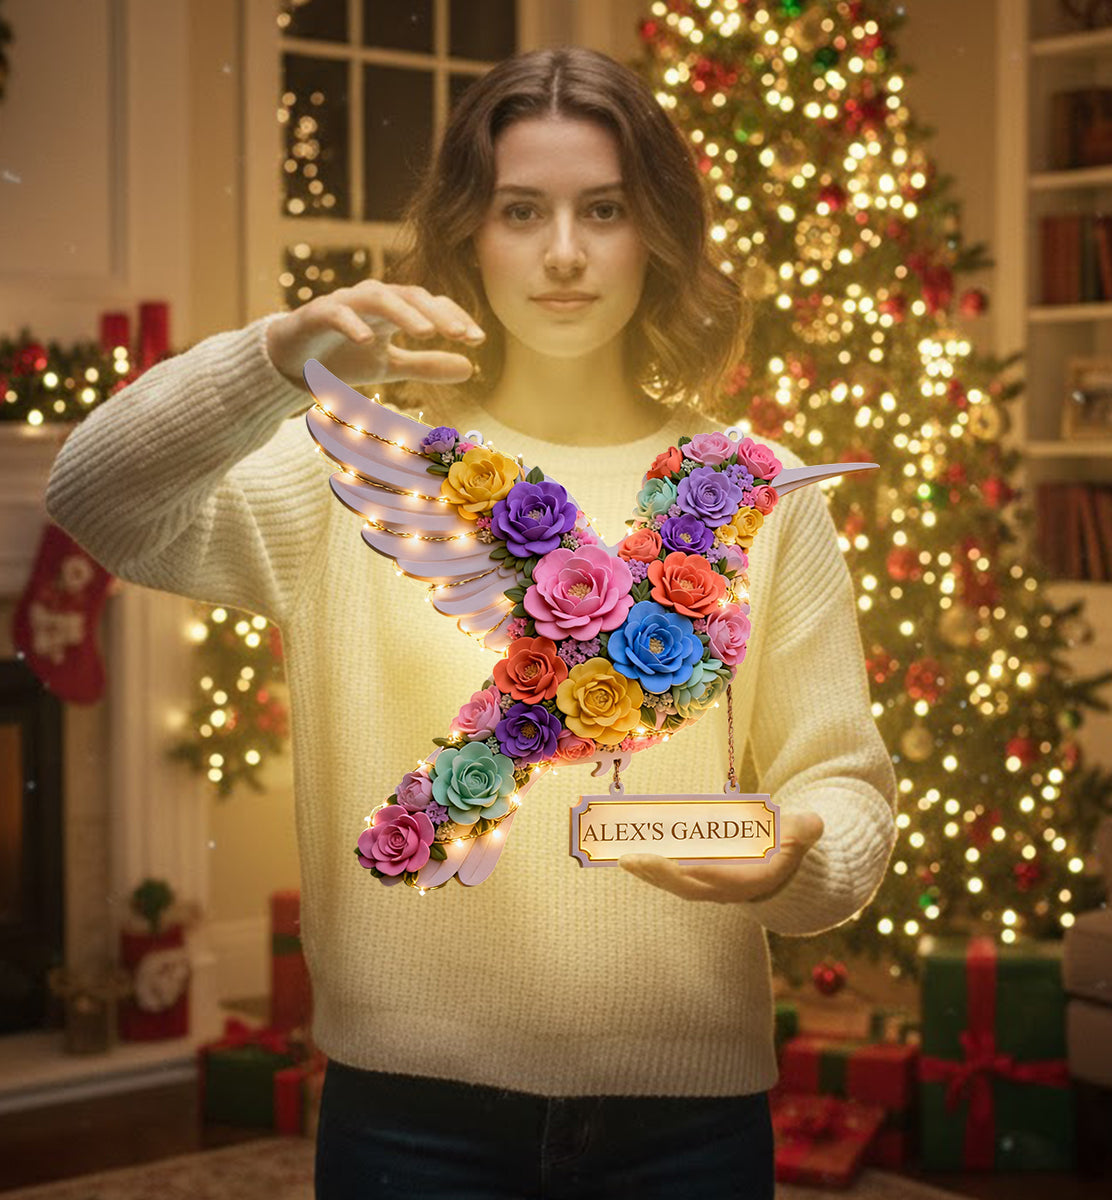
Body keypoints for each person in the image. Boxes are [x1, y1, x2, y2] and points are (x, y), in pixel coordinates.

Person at [46, 45, 897, 1200]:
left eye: (603, 209)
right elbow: (92, 498)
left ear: (656, 231)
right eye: (520, 210)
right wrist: (274, 359)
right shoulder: (348, 468)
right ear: (469, 234)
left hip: (689, 1118)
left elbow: (844, 789)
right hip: (409, 1117)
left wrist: (798, 857)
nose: (562, 252)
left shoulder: (759, 488)